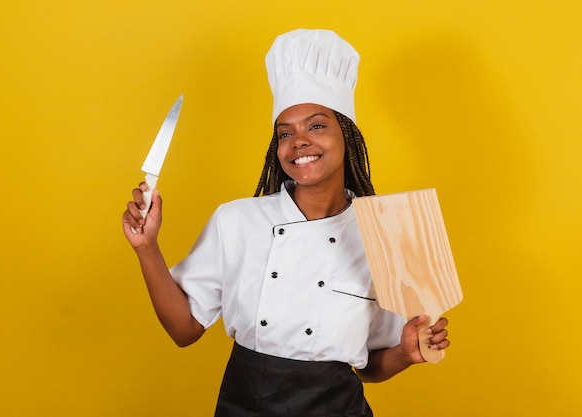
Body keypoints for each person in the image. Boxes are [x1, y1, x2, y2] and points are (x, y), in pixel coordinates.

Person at [122, 29, 450, 417]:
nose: (298, 142)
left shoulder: (385, 236)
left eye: (316, 126)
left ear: (346, 135)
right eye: (285, 133)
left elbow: (368, 368)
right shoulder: (237, 221)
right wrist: (146, 247)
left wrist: (405, 353)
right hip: (243, 406)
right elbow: (184, 331)